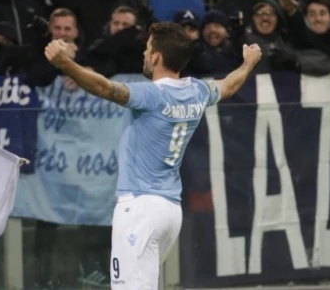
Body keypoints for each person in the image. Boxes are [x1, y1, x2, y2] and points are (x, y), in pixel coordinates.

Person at [44, 22, 262, 289]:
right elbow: (228, 85)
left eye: (148, 49)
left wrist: (64, 64)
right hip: (170, 210)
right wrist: (248, 64)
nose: (144, 54)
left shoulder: (151, 94)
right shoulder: (197, 91)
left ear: (157, 57)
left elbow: (106, 88)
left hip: (140, 207)